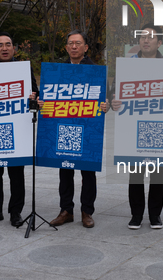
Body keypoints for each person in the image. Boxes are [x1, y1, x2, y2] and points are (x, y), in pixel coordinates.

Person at [42, 30, 108, 228]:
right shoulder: (58, 71)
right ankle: (66, 210)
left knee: (88, 172)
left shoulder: (96, 71)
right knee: (65, 170)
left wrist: (106, 105)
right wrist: (43, 102)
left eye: (78, 43)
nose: (74, 46)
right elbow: (49, 96)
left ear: (86, 47)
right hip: (65, 126)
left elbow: (106, 98)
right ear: (66, 47)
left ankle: (87, 211)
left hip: (88, 127)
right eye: (70, 43)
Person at [0, 32, 38, 227]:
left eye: (8, 44)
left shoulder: (24, 69)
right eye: (0, 45)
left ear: (14, 48)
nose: (4, 48)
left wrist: (34, 98)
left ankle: (15, 211)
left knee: (16, 174)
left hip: (17, 128)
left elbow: (36, 94)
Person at [111, 23, 163, 230]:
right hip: (133, 125)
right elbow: (115, 91)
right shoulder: (128, 65)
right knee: (135, 173)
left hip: (159, 125)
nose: (146, 40)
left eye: (151, 37)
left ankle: (155, 215)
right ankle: (136, 214)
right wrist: (114, 100)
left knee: (157, 173)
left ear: (159, 42)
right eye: (143, 36)